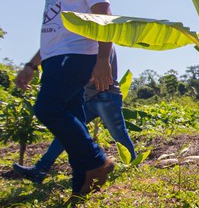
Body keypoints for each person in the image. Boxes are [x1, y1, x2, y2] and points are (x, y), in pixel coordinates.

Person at [14, 0, 115, 198]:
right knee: (76, 121)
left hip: (77, 54)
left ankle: (96, 161)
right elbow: (53, 32)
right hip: (55, 57)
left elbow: (104, 17)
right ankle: (82, 186)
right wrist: (31, 65)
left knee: (47, 109)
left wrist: (103, 59)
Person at [13, 50, 136, 183]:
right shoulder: (78, 42)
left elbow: (91, 69)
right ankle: (40, 168)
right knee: (68, 131)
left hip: (105, 96)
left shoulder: (100, 42)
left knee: (118, 134)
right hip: (87, 98)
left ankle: (133, 166)